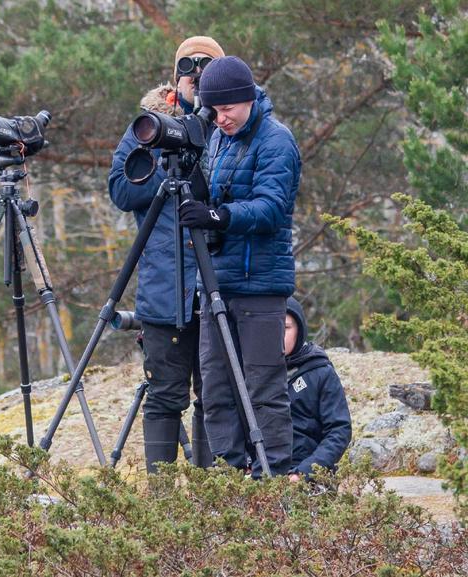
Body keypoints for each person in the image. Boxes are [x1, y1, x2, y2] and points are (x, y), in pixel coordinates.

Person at [179, 55, 302, 477]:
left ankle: (272, 477)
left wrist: (216, 216)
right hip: (217, 282)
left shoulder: (276, 140)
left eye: (227, 108)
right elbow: (213, 193)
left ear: (247, 98)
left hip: (261, 286)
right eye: (213, 110)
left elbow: (271, 209)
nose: (220, 117)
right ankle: (229, 478)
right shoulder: (217, 137)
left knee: (264, 389)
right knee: (214, 389)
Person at [108, 36, 225, 472]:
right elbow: (120, 190)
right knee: (164, 395)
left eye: (206, 68)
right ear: (175, 75)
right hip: (164, 286)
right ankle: (162, 507)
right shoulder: (150, 125)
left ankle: (209, 498)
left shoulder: (231, 126)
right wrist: (160, 159)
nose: (195, 74)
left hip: (217, 281)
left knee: (215, 394)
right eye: (188, 67)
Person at [284, 297, 352, 481]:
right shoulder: (253, 372)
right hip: (263, 474)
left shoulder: (320, 371)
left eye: (285, 328)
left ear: (300, 330)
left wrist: (304, 472)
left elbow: (339, 430)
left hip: (309, 476)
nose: (277, 334)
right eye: (271, 327)